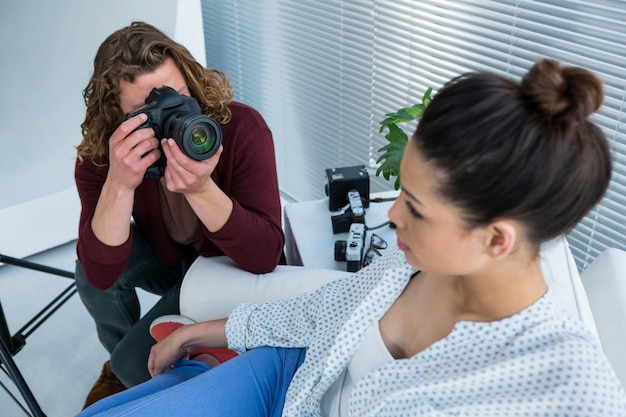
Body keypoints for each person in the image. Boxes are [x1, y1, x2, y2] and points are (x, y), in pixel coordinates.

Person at [77, 59, 626, 416]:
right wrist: (206, 331)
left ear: (496, 240)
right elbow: (333, 307)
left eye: (413, 206)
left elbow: (263, 251)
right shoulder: (419, 261)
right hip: (291, 376)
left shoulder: (567, 389)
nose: (392, 220)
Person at [74, 21, 285, 406]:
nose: (173, 111)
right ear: (115, 116)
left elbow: (266, 257)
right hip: (172, 257)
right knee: (87, 269)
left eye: (180, 93)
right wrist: (120, 185)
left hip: (230, 266)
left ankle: (145, 368)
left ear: (191, 79)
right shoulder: (102, 158)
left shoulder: (240, 127)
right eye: (147, 110)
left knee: (133, 363)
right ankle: (127, 369)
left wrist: (201, 189)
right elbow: (101, 275)